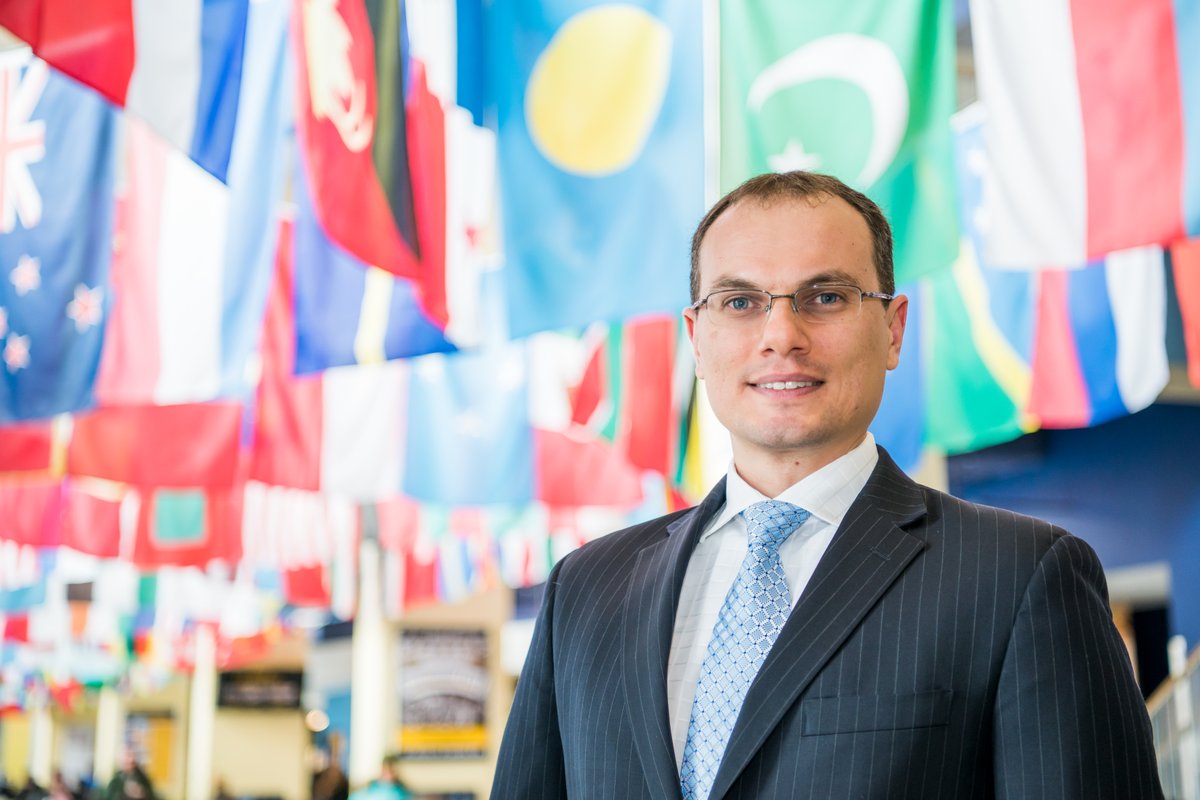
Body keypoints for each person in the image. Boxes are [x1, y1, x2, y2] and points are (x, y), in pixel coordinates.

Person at [491, 171, 1163, 799]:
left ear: (893, 329)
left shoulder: (1019, 578)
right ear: (697, 339)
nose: (781, 335)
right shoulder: (584, 591)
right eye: (741, 301)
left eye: (827, 297)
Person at [346, 757, 411, 800]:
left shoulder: (401, 793)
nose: (390, 775)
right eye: (387, 771)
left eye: (392, 771)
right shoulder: (366, 790)